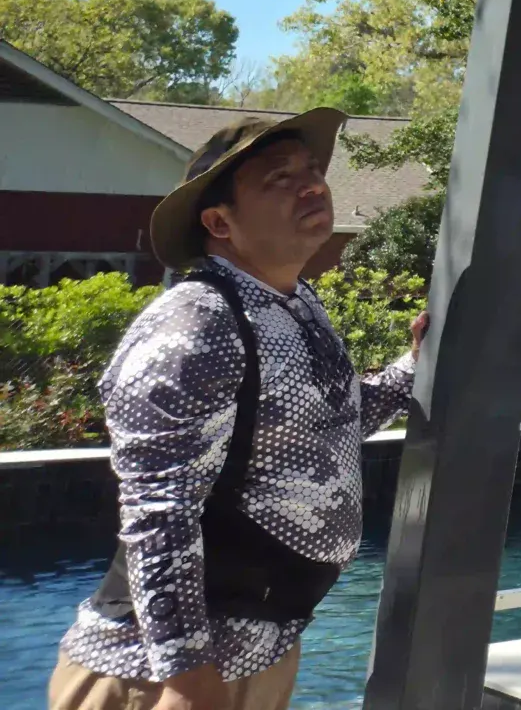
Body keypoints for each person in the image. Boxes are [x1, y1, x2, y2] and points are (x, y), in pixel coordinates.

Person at [52, 113, 424, 710]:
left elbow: (324, 435)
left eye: (312, 170)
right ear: (219, 222)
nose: (312, 185)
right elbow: (157, 511)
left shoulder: (294, 304)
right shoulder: (196, 322)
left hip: (255, 650)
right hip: (159, 675)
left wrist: (415, 368)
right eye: (280, 178)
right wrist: (187, 674)